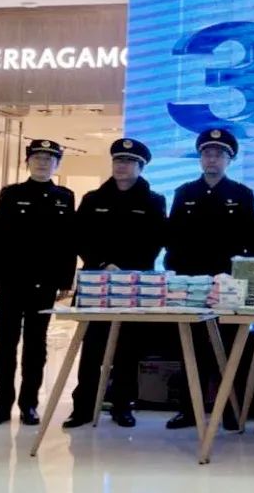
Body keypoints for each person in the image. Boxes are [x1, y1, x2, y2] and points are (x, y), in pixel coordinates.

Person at [62, 138, 166, 428]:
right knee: (91, 348)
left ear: (141, 167)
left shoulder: (153, 200)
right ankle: (83, 407)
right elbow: (79, 237)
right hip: (96, 282)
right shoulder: (93, 199)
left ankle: (122, 404)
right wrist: (103, 263)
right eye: (118, 160)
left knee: (128, 348)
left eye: (129, 161)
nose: (122, 166)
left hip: (133, 283)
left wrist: (124, 268)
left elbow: (155, 241)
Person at [164, 128, 254, 429]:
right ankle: (189, 409)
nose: (212, 159)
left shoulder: (242, 194)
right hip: (191, 284)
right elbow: (173, 238)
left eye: (219, 154)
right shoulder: (185, 193)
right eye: (207, 153)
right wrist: (176, 277)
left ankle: (230, 409)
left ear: (229, 159)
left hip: (227, 283)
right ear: (200, 158)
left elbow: (251, 241)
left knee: (230, 348)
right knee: (191, 348)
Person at [0, 139, 76, 427]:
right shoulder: (11, 194)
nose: (42, 163)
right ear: (28, 162)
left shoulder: (64, 197)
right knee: (5, 345)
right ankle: (1, 406)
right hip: (9, 282)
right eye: (37, 158)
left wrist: (65, 280)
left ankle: (29, 404)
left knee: (36, 345)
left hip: (44, 283)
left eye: (49, 159)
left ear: (57, 164)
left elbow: (68, 242)